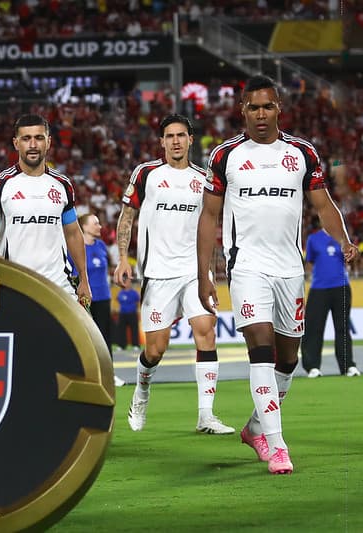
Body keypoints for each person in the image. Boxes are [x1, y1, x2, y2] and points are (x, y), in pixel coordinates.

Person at [197, 75, 359, 475]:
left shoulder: (302, 153)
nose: (261, 114)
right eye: (253, 107)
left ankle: (255, 428)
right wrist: (204, 273)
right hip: (247, 267)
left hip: (289, 269)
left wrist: (344, 239)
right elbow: (209, 215)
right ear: (243, 110)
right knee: (261, 348)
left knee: (289, 359)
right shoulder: (225, 155)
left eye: (267, 106)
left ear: (279, 109)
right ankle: (277, 445)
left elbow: (323, 205)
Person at [115, 114, 234, 435]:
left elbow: (212, 222)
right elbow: (127, 216)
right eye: (170, 136)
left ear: (191, 139)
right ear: (162, 141)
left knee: (206, 331)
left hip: (195, 271)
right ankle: (141, 392)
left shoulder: (204, 178)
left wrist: (210, 269)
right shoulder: (147, 174)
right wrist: (123, 259)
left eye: (181, 135)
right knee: (155, 349)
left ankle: (206, 415)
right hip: (158, 273)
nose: (176, 141)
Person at [0, 114, 90, 306]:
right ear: (16, 143)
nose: (32, 145)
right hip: (14, 286)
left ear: (48, 142)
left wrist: (83, 278)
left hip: (59, 286)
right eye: (26, 138)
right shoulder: (0, 185)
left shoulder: (63, 184)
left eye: (39, 138)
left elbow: (73, 233)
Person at [73, 213, 125, 386]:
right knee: (84, 337)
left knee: (104, 337)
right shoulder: (74, 247)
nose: (100, 226)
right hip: (83, 299)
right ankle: (84, 374)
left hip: (103, 297)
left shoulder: (102, 245)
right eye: (95, 223)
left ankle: (108, 375)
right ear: (84, 227)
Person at [301, 224, 359, 377]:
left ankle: (348, 366)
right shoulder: (313, 239)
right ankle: (312, 367)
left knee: (343, 328)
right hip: (318, 288)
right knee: (313, 328)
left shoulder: (343, 237)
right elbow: (309, 262)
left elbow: (352, 259)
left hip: (341, 286)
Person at [116, 284, 140, 350]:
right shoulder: (121, 293)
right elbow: (118, 301)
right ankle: (121, 345)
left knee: (134, 329)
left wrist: (136, 309)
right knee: (121, 330)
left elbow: (137, 302)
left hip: (132, 313)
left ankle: (135, 345)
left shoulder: (134, 293)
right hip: (122, 313)